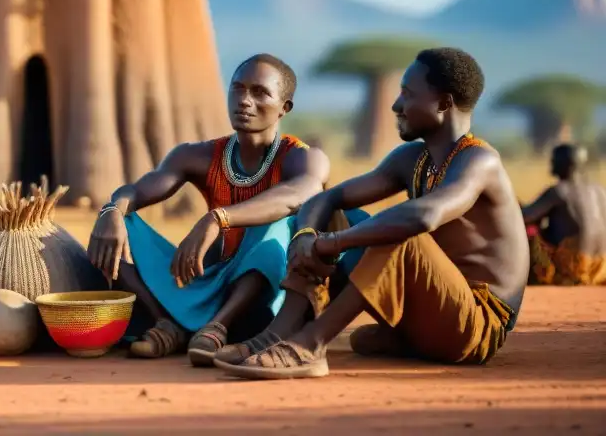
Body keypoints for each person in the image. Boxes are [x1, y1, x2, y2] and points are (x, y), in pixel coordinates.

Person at [215, 47, 529, 380]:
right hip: (432, 312)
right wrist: (309, 235)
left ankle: (310, 346)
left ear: (443, 103)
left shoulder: (480, 161)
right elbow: (329, 197)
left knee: (400, 233)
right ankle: (276, 335)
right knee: (335, 216)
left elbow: (423, 218)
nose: (396, 106)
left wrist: (332, 244)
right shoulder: (413, 159)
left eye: (407, 95)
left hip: (475, 326)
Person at [87, 54, 356, 366]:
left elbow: (301, 192)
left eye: (259, 93)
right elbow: (138, 190)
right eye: (237, 88)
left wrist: (219, 218)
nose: (244, 100)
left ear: (284, 107)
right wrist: (112, 210)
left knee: (276, 222)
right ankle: (167, 325)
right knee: (123, 225)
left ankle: (218, 328)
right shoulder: (197, 155)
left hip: (267, 294)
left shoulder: (302, 158)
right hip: (213, 281)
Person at [523, 143, 606, 285]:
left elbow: (525, 218)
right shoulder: (599, 190)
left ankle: (531, 279)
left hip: (575, 268)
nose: (551, 165)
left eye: (554, 161)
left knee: (529, 233)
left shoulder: (559, 191)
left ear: (564, 164)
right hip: (602, 268)